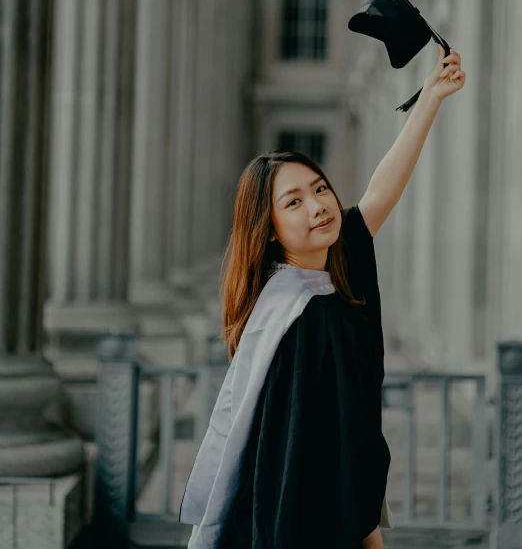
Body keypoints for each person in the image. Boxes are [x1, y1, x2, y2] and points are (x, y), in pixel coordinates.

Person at [179, 45, 466, 548]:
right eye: (294, 201)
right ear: (269, 230)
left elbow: (379, 194)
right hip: (307, 524)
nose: (318, 206)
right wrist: (368, 535)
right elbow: (321, 453)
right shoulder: (305, 321)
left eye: (319, 189)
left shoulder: (309, 281)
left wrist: (431, 99)